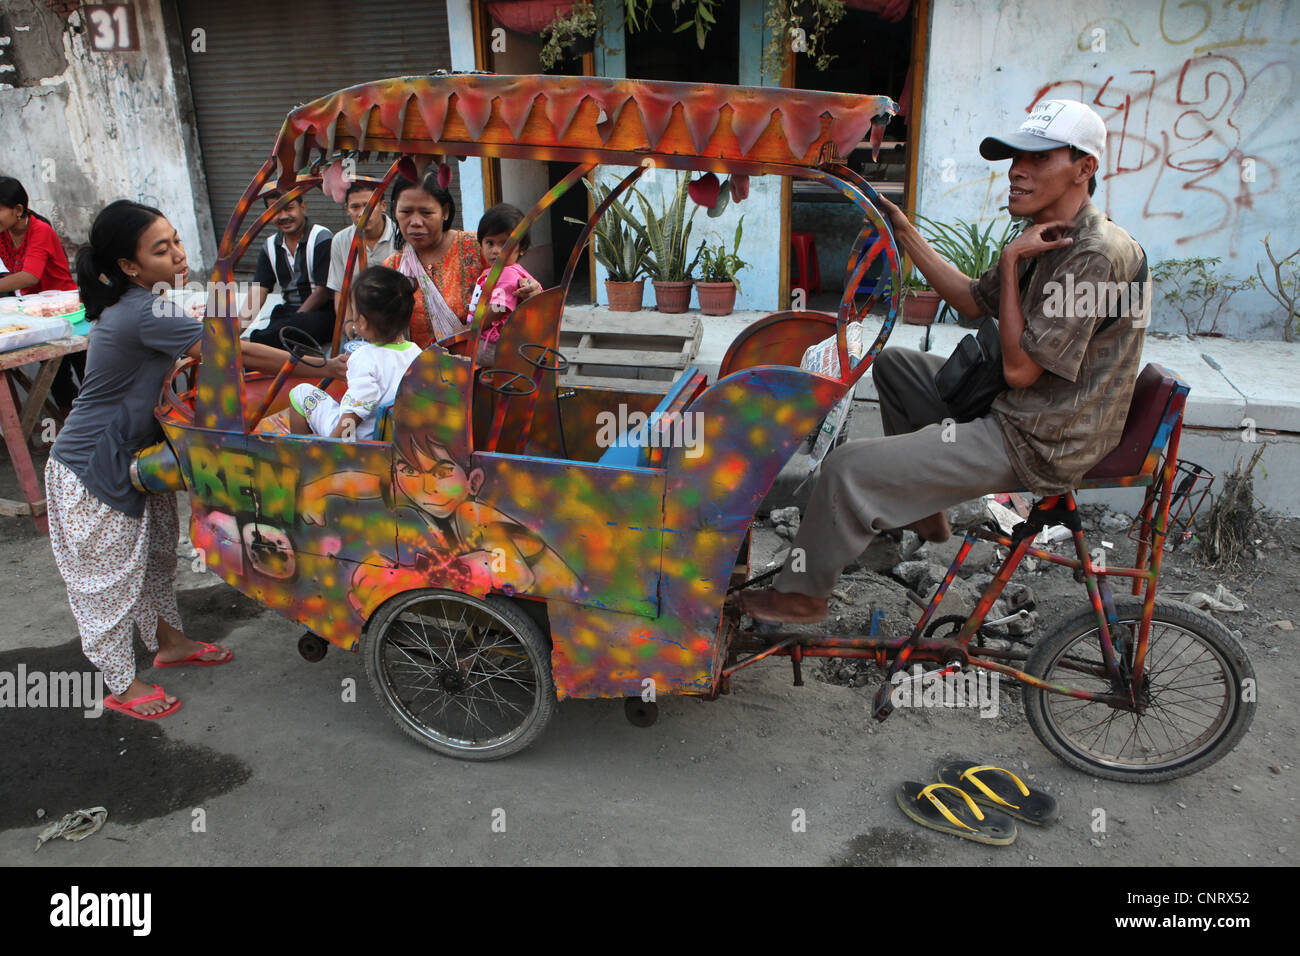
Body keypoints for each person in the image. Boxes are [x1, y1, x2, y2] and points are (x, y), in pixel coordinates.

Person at [741, 98, 1147, 623]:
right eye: (1015, 159)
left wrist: (1007, 264)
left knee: (847, 468)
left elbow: (1022, 370)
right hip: (1020, 401)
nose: (1018, 172)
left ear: (1084, 168)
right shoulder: (1046, 237)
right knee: (896, 366)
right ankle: (928, 518)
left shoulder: (1094, 253)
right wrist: (904, 232)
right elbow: (970, 302)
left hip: (1041, 434)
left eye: (1039, 159)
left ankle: (801, 596)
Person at [46, 199, 347, 719]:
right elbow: (231, 350)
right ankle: (119, 684)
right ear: (128, 267)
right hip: (91, 464)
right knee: (108, 582)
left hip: (138, 455)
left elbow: (218, 346)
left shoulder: (152, 302)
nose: (178, 256)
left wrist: (309, 367)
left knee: (155, 564)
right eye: (161, 250)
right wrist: (315, 364)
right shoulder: (143, 310)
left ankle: (169, 645)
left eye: (177, 242)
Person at [383, 172, 540, 349]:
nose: (415, 222)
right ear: (395, 210)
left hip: (480, 369)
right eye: (405, 211)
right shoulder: (392, 269)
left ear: (445, 211)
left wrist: (530, 293)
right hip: (419, 371)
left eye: (426, 212)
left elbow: (509, 297)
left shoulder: (479, 248)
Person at [288, 266, 420, 440]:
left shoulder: (365, 357)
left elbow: (352, 417)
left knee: (300, 393)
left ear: (363, 322)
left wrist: (332, 447)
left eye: (354, 312)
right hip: (397, 438)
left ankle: (300, 457)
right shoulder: (417, 352)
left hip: (360, 442)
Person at [0, 176, 82, 409]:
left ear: (18, 209)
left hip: (67, 310)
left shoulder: (40, 229)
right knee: (57, 379)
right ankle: (72, 430)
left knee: (86, 372)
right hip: (35, 313)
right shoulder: (3, 233)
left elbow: (29, 276)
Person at [241, 191, 334, 348]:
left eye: (289, 208)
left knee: (289, 330)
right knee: (278, 321)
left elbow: (323, 291)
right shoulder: (269, 246)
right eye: (276, 211)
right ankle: (248, 347)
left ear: (302, 207)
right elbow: (259, 290)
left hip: (322, 313)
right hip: (288, 313)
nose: (283, 216)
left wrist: (294, 322)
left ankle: (250, 344)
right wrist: (235, 329)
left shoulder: (321, 238)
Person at [467, 203, 537, 362]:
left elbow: (497, 309)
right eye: (490, 243)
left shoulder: (507, 274)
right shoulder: (493, 271)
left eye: (505, 244)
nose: (496, 250)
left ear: (522, 249)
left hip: (493, 345)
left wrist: (469, 329)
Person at [327, 181, 398, 327]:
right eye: (355, 207)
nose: (362, 213)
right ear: (347, 209)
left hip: (394, 324)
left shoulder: (401, 236)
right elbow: (341, 292)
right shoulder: (340, 240)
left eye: (368, 206)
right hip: (358, 324)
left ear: (383, 206)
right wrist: (348, 325)